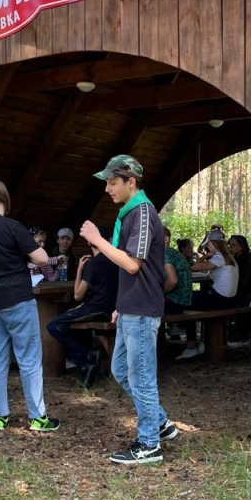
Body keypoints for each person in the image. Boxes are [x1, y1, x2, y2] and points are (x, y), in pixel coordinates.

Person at [81, 154, 177, 465]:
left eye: (112, 183)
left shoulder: (144, 212)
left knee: (141, 377)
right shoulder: (130, 212)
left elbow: (133, 264)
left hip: (143, 309)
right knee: (121, 370)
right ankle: (160, 422)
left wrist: (98, 240)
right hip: (129, 308)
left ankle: (149, 444)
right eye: (107, 183)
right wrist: (120, 306)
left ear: (130, 182)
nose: (107, 189)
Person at [0, 179, 60, 432]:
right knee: (29, 357)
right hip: (16, 299)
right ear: (4, 197)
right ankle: (38, 418)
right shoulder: (12, 226)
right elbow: (41, 258)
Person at [46, 228, 119, 387]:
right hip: (112, 310)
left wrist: (80, 268)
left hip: (96, 309)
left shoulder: (94, 263)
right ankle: (86, 363)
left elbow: (78, 295)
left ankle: (87, 356)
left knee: (54, 326)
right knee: (72, 325)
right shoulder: (116, 260)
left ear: (88, 242)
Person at [176, 231, 239, 360]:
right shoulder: (228, 257)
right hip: (229, 299)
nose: (207, 247)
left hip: (219, 300)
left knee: (184, 299)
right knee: (191, 298)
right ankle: (199, 341)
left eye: (208, 244)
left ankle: (191, 345)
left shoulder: (218, 257)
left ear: (213, 243)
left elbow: (193, 266)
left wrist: (206, 256)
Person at [227, 234, 251, 307]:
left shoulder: (247, 260)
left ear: (241, 246)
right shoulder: (235, 258)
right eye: (229, 245)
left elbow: (241, 281)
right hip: (234, 293)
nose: (230, 247)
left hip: (242, 297)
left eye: (233, 245)